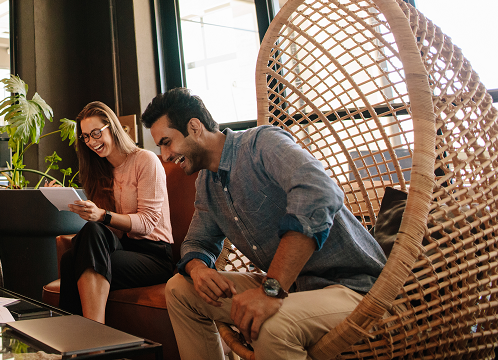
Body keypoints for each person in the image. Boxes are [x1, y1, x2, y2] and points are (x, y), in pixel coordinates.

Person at [141, 88, 386, 360]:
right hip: (293, 288)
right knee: (179, 289)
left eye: (167, 142)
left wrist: (270, 290)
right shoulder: (207, 183)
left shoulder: (261, 144)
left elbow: (320, 192)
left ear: (194, 127)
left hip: (355, 288)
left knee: (269, 326)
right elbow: (197, 242)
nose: (165, 156)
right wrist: (198, 269)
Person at [58, 101, 175, 323]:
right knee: (79, 247)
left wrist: (102, 215)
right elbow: (109, 230)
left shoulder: (145, 160)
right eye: (85, 137)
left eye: (95, 133)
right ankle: (77, 342)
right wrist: (80, 207)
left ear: (112, 127)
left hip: (155, 256)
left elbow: (148, 223)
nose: (92, 142)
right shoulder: (99, 170)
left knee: (75, 258)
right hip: (123, 248)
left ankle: (92, 338)